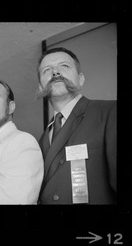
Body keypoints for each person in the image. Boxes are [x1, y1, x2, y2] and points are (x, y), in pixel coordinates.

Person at [36, 47, 116, 204]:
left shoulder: (110, 112)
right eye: (47, 70)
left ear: (81, 79)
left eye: (64, 66)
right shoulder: (41, 139)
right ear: (40, 87)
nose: (55, 73)